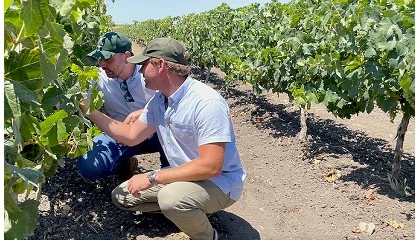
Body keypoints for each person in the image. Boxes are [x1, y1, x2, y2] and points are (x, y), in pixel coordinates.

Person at [80, 37, 246, 240]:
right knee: (122, 196)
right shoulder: (159, 100)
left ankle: (208, 236)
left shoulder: (206, 102)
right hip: (183, 175)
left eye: (143, 65)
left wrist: (152, 177)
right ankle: (189, 211)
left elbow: (211, 166)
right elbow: (131, 136)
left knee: (171, 199)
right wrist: (89, 110)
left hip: (219, 182)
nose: (140, 72)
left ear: (160, 65)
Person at [78, 31, 169, 181]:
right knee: (89, 166)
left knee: (178, 135)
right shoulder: (97, 76)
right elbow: (79, 97)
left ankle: (169, 171)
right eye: (99, 58)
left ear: (127, 56)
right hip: (120, 135)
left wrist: (144, 113)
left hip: (157, 132)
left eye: (107, 58)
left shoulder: (148, 74)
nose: (102, 64)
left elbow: (174, 101)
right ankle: (124, 164)